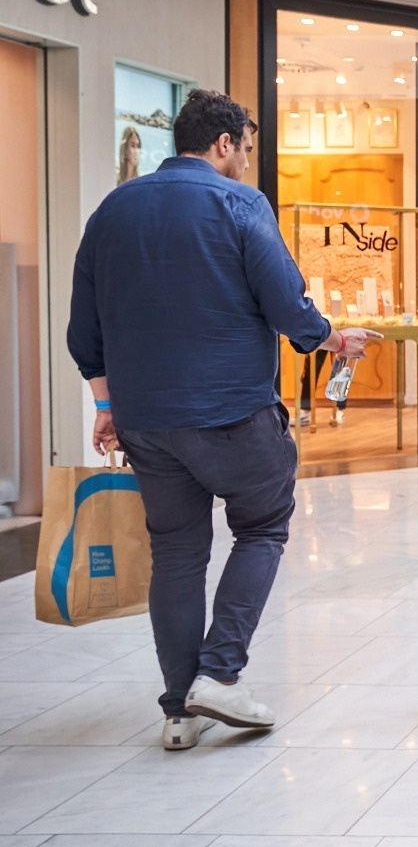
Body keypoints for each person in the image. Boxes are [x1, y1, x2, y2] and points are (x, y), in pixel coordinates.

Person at [67, 89, 378, 750]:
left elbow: (83, 330)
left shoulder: (112, 211)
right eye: (244, 146)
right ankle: (220, 671)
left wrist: (104, 405)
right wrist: (331, 338)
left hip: (146, 420)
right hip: (233, 411)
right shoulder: (241, 204)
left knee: (177, 552)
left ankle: (181, 711)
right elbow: (287, 304)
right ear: (222, 143)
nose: (244, 158)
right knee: (263, 524)